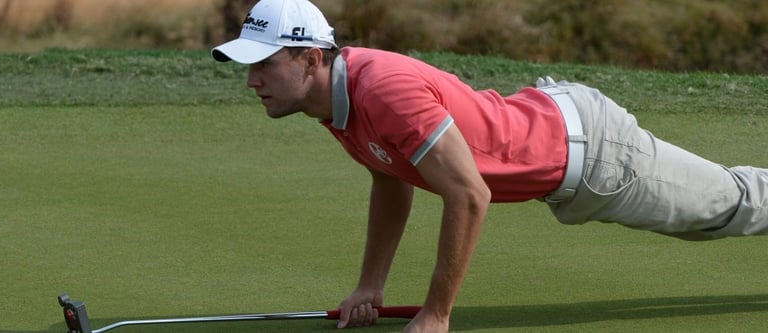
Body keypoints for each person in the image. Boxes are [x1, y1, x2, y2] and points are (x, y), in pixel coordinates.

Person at [210, 0, 768, 332]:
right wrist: (370, 287)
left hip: (595, 153)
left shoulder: (383, 90)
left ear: (310, 59)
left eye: (264, 65)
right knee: (726, 209)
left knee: (731, 208)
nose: (251, 80)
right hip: (558, 126)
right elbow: (390, 177)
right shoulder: (333, 101)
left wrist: (436, 314)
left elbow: (469, 195)